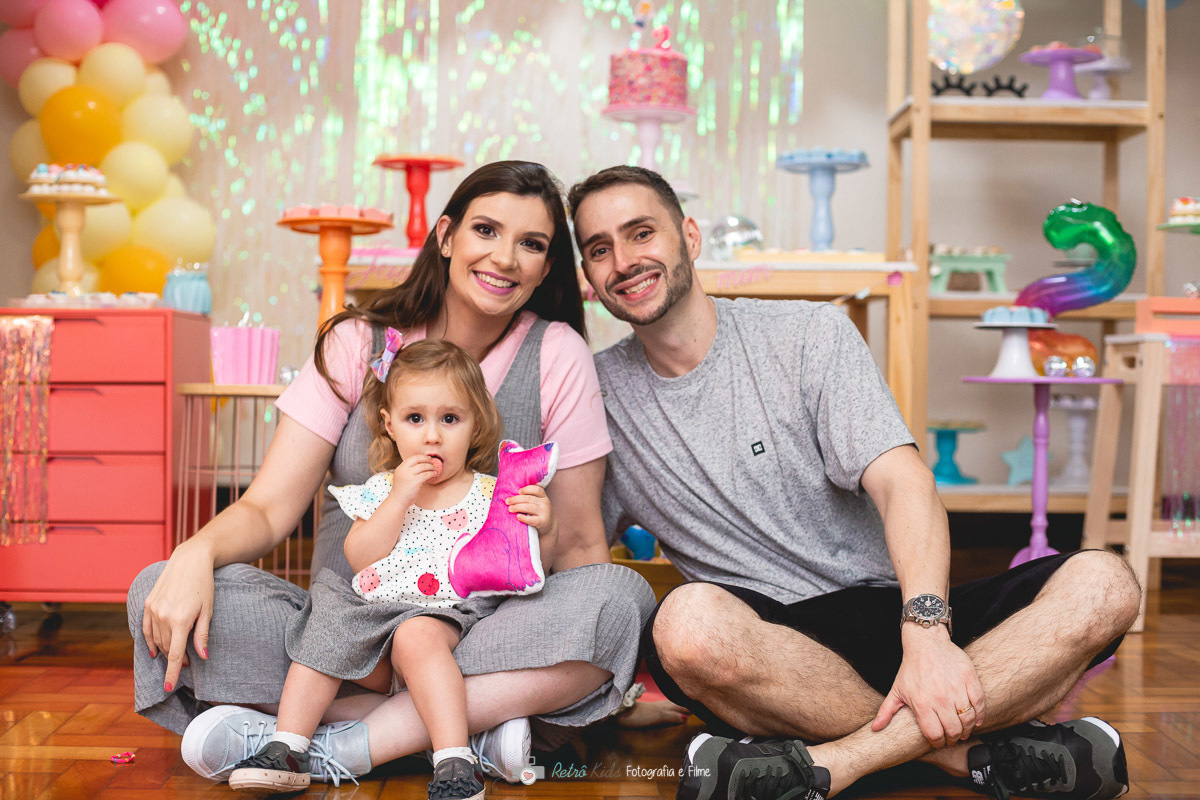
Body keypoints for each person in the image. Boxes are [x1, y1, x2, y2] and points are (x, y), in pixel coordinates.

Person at [567, 165, 1141, 800]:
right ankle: (965, 756)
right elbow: (579, 555)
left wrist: (927, 633)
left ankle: (839, 762)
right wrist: (614, 699)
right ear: (588, 276)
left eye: (641, 233)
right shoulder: (593, 395)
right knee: (684, 625)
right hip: (769, 650)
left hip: (893, 610)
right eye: (599, 248)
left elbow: (904, 482)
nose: (624, 261)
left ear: (690, 237)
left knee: (1105, 583)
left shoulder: (808, 334)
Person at [128, 161, 660, 788]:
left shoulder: (557, 352)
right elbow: (269, 509)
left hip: (477, 632)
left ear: (547, 267)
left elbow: (576, 544)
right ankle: (463, 731)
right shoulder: (358, 341)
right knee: (156, 590)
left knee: (622, 600)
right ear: (446, 236)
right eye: (485, 230)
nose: (505, 257)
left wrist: (608, 670)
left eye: (532, 243)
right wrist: (194, 553)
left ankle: (328, 741)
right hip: (338, 638)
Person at [226, 337, 556, 798]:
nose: (432, 436)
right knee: (327, 618)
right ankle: (289, 746)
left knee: (415, 634)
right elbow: (359, 556)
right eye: (415, 418)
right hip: (373, 629)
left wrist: (545, 526)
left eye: (450, 419)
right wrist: (399, 497)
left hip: (447, 621)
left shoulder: (489, 492)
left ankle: (454, 761)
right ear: (390, 425)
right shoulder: (383, 488)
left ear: (475, 423)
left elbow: (531, 562)